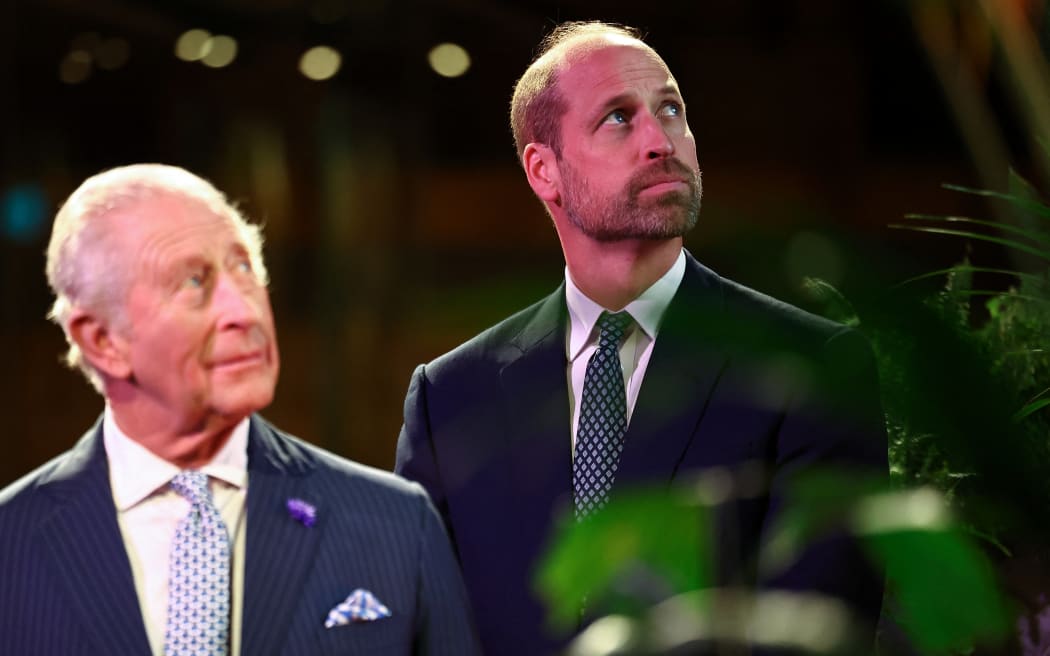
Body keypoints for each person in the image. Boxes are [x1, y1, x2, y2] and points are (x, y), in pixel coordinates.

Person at [395, 21, 888, 655]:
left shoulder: (812, 369)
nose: (661, 140)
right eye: (619, 119)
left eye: (671, 109)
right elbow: (422, 629)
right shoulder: (450, 394)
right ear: (544, 170)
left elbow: (819, 634)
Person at [0, 164, 480, 656]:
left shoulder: (397, 525)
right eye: (193, 282)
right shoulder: (10, 545)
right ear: (102, 341)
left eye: (246, 268)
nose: (245, 311)